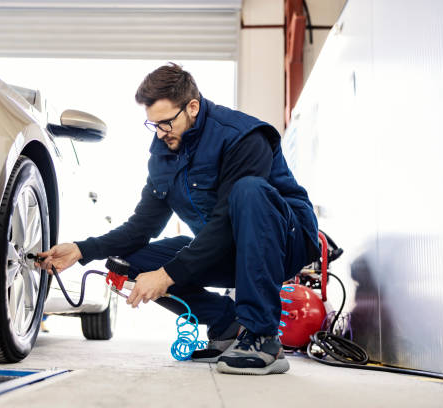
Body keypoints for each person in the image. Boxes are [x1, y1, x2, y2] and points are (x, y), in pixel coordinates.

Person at [39, 63, 319, 375]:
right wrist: (81, 249)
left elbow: (227, 221)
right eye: (153, 125)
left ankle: (263, 335)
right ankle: (229, 324)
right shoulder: (164, 155)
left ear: (193, 107)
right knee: (128, 263)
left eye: (166, 122)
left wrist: (169, 274)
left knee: (248, 191)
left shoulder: (242, 136)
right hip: (227, 250)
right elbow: (141, 227)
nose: (160, 132)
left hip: (284, 243)